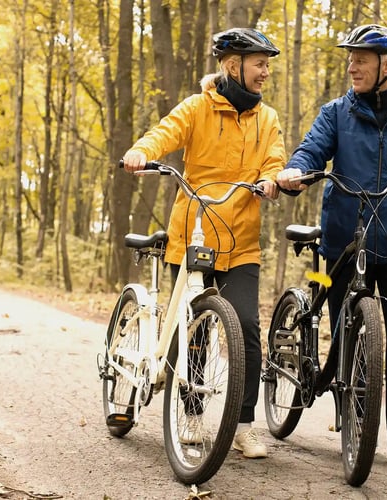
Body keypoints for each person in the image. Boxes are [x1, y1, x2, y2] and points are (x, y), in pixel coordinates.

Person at [276, 24, 387, 472]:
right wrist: (297, 171)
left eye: (361, 58)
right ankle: (355, 419)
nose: (352, 66)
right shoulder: (337, 112)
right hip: (344, 240)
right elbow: (312, 150)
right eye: (350, 57)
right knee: (346, 331)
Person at [122, 27, 286, 459]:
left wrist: (271, 180)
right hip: (193, 235)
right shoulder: (197, 108)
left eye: (267, 64)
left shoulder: (266, 118)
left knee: (247, 329)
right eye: (260, 64)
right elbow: (164, 132)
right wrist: (141, 152)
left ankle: (244, 424)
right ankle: (191, 415)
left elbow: (275, 158)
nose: (266, 72)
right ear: (234, 66)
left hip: (242, 238)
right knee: (192, 332)